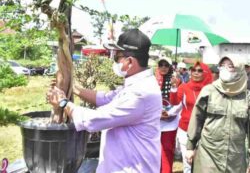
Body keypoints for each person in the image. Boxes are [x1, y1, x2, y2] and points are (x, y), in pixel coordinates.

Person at [46, 29, 162, 173]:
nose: (113, 61)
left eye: (116, 57)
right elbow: (105, 98)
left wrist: (63, 102)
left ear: (130, 61)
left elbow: (92, 120)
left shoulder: (140, 93)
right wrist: (73, 88)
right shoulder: (137, 85)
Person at [186, 55, 250, 173]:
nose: (225, 69)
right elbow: (197, 119)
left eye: (230, 66)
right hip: (208, 155)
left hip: (235, 159)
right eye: (222, 66)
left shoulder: (247, 97)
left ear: (239, 70)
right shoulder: (209, 91)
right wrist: (190, 147)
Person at [169, 61, 213, 173]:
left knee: (204, 164)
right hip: (185, 130)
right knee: (188, 163)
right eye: (193, 70)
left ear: (206, 73)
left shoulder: (212, 89)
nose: (196, 73)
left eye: (199, 70)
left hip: (206, 131)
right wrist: (174, 88)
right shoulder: (184, 87)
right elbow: (174, 102)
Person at [155, 58, 180, 173]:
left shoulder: (176, 81)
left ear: (170, 67)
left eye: (166, 65)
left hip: (170, 122)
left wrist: (168, 113)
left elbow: (179, 102)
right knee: (153, 150)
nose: (163, 67)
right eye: (161, 64)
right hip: (154, 121)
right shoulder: (152, 81)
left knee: (167, 150)